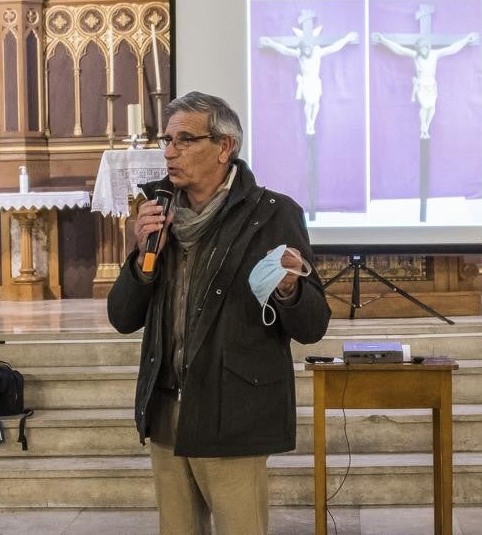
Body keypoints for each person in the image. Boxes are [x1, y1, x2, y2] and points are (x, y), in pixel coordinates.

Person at [108, 92, 331, 533]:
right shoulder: (158, 214)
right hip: (167, 407)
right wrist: (139, 258)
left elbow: (313, 325)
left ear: (224, 147)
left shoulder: (272, 215)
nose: (170, 151)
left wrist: (289, 289)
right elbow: (122, 317)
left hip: (233, 407)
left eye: (185, 140)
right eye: (167, 140)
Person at [259, 11, 358, 135]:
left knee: (315, 102)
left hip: (315, 80)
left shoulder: (317, 53)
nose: (306, 51)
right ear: (302, 48)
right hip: (306, 81)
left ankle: (312, 123)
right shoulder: (299, 54)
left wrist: (347, 38)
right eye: (304, 49)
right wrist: (272, 43)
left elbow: (334, 47)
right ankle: (309, 123)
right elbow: (284, 50)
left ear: (310, 47)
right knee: (308, 103)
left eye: (307, 49)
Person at [370, 30, 478, 139]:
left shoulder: (435, 54)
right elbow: (399, 49)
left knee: (432, 108)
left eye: (425, 48)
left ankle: (425, 128)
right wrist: (383, 40)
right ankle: (423, 127)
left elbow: (452, 49)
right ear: (418, 48)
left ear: (428, 47)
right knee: (425, 106)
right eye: (421, 48)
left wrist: (466, 40)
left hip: (432, 86)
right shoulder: (415, 55)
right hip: (422, 85)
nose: (424, 50)